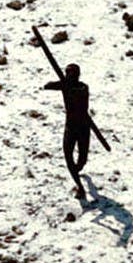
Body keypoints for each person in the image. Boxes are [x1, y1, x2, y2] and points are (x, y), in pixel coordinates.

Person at [43, 63, 91, 199]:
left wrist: (65, 86)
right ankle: (80, 186)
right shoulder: (65, 85)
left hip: (83, 127)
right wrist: (54, 85)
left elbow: (78, 95)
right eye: (66, 73)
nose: (67, 76)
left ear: (77, 75)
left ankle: (76, 170)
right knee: (68, 156)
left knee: (82, 160)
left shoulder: (83, 88)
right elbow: (49, 85)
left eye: (71, 74)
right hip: (70, 127)